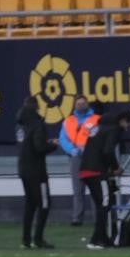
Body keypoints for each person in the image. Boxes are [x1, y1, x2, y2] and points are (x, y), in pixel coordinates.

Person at [79, 110, 130, 250]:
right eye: (128, 123)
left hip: (85, 170)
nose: (128, 128)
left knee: (101, 205)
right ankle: (95, 240)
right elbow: (108, 151)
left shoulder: (98, 128)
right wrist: (116, 168)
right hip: (97, 171)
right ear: (122, 120)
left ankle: (103, 238)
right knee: (105, 204)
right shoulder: (114, 130)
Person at [16, 96, 61, 249]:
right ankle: (38, 238)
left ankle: (26, 239)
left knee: (30, 203)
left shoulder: (20, 125)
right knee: (44, 203)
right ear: (37, 107)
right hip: (37, 171)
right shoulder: (37, 124)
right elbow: (39, 147)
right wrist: (53, 145)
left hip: (23, 168)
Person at [58, 94, 98, 227]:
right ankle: (77, 218)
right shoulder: (68, 121)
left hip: (92, 157)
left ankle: (98, 216)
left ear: (88, 104)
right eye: (78, 103)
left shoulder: (96, 119)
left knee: (95, 188)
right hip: (75, 157)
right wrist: (71, 150)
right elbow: (63, 139)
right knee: (77, 189)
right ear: (74, 106)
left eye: (83, 103)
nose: (81, 105)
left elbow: (99, 137)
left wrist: (89, 149)